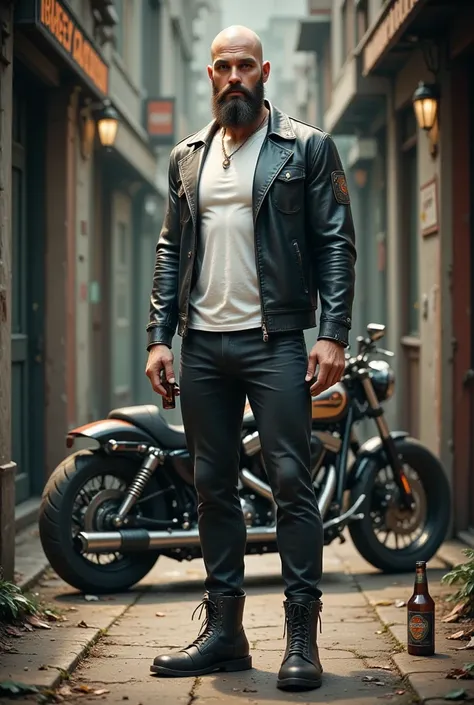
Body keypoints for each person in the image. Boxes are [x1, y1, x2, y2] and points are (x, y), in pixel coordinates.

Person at [145, 25, 356, 692]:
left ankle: (300, 636)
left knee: (292, 481)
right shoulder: (186, 156)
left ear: (264, 72)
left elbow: (335, 242)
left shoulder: (306, 148)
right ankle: (225, 633)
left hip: (275, 342)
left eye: (244, 65)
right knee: (213, 486)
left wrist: (332, 333)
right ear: (210, 76)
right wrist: (159, 336)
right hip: (203, 344)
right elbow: (169, 250)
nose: (233, 76)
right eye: (222, 67)